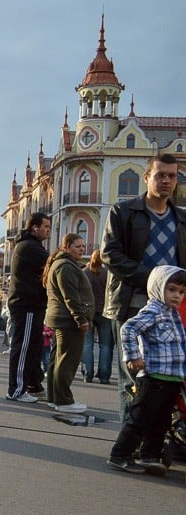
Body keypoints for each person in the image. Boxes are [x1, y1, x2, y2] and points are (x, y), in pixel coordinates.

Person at [101, 154, 186, 426]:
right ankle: (129, 442)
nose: (166, 181)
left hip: (171, 310)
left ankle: (156, 441)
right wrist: (154, 279)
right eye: (160, 175)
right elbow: (110, 254)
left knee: (166, 376)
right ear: (146, 177)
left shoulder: (181, 218)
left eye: (172, 176)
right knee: (133, 375)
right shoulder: (123, 212)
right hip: (131, 303)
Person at [107, 266, 186, 475]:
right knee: (140, 418)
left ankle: (148, 455)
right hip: (153, 377)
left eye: (181, 291)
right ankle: (120, 454)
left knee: (160, 421)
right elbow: (128, 328)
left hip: (171, 377)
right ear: (159, 288)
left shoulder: (173, 314)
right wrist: (133, 356)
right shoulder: (154, 311)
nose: (177, 295)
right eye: (172, 290)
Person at [42, 233, 93, 413]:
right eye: (77, 246)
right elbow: (70, 296)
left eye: (82, 246)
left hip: (61, 318)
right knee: (67, 361)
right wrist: (81, 319)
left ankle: (54, 398)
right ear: (66, 247)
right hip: (68, 320)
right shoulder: (66, 266)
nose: (81, 249)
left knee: (57, 359)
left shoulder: (62, 264)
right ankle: (63, 401)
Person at [6, 212, 51, 402]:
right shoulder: (29, 247)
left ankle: (33, 384)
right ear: (35, 227)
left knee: (34, 346)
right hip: (27, 304)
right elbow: (52, 263)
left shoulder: (30, 245)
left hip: (33, 304)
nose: (48, 230)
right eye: (46, 226)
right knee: (24, 346)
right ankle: (16, 390)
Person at [81, 249, 113, 384]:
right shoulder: (107, 274)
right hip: (104, 311)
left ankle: (87, 375)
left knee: (87, 344)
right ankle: (104, 376)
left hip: (87, 312)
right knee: (105, 345)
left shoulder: (84, 273)